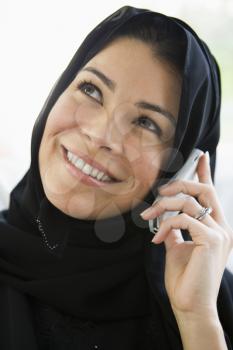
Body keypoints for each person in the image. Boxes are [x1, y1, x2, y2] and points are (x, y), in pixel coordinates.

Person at [0, 5, 232, 350]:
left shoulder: (210, 302)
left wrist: (197, 319)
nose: (100, 136)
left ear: (181, 169)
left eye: (146, 123)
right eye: (91, 90)